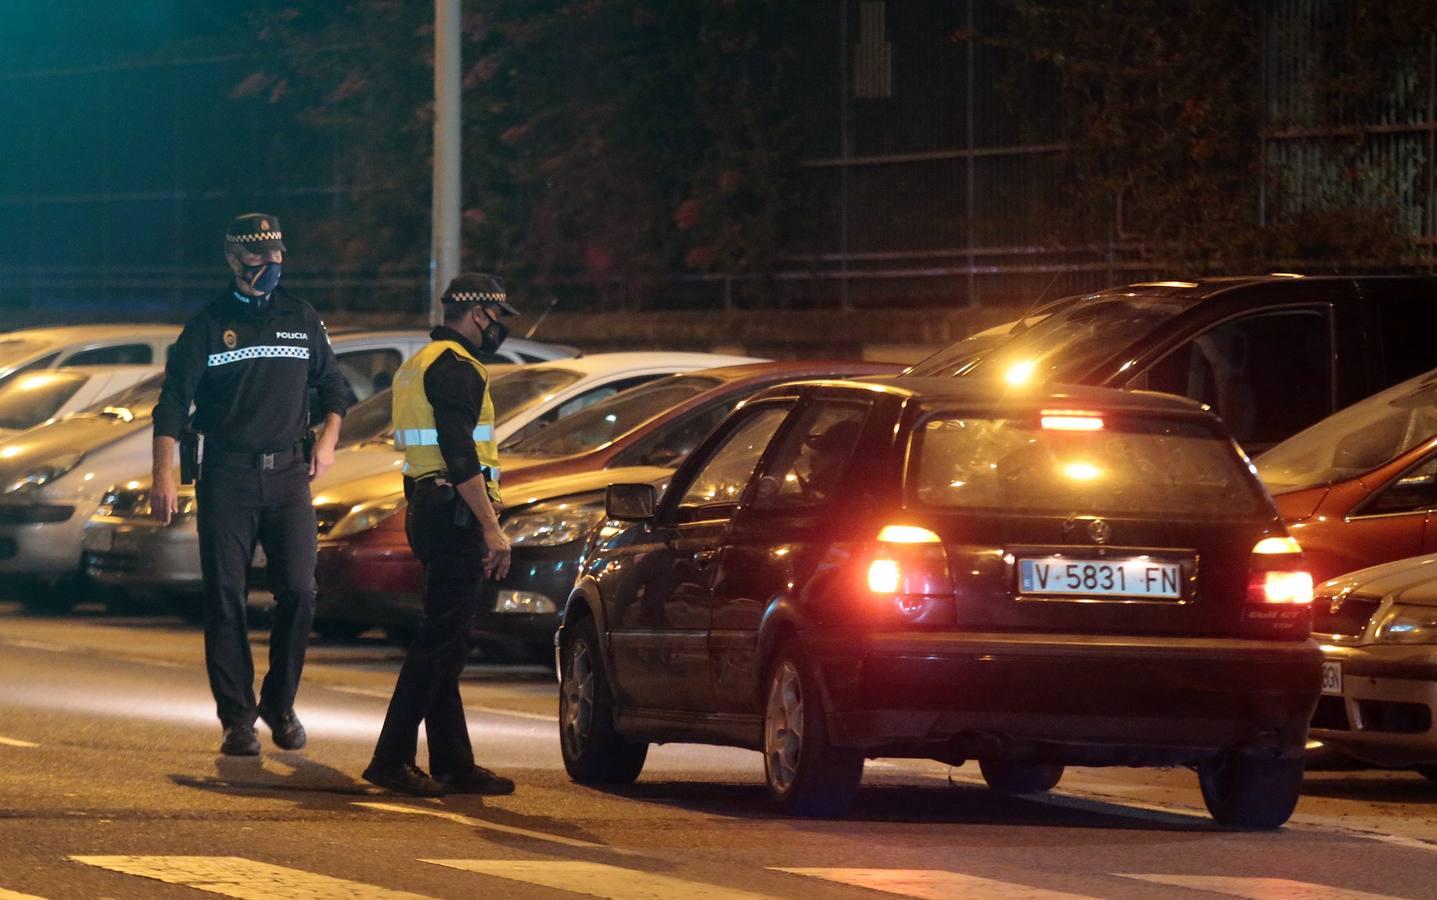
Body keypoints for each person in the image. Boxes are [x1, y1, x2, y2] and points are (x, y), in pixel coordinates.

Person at [151, 213, 346, 756]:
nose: (271, 265)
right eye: (259, 257)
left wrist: (328, 439)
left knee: (301, 592)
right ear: (234, 260)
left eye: (277, 255)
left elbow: (334, 389)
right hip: (227, 477)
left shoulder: (302, 318)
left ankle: (279, 705)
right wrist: (163, 474)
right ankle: (238, 719)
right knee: (225, 599)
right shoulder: (208, 325)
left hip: (288, 477)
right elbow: (170, 404)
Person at [361, 273, 517, 797]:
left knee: (447, 640)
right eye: (498, 318)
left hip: (429, 507)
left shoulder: (420, 362)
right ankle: (391, 758)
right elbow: (460, 453)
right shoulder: (457, 369)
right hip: (454, 514)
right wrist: (492, 529)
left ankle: (453, 760)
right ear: (479, 315)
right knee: (438, 642)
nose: (499, 330)